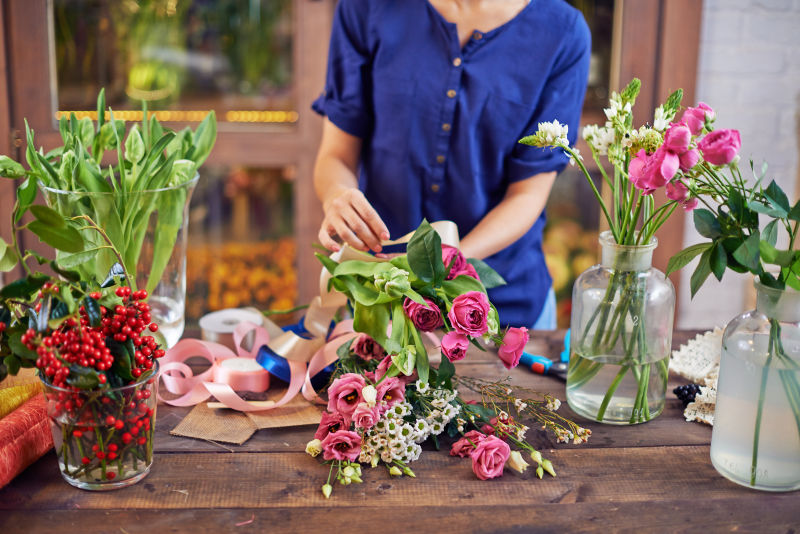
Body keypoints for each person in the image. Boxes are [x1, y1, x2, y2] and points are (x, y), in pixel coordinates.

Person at [312, 0, 591, 329]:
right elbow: (337, 154)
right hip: (379, 297)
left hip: (503, 310)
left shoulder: (562, 32)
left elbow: (528, 194)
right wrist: (337, 195)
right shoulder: (367, 7)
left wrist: (447, 263)